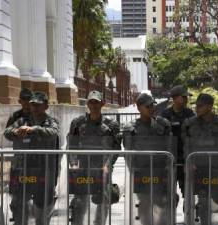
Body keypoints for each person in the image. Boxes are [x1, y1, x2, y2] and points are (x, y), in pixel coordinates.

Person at [4, 91, 60, 225]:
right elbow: (7, 132)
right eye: (32, 105)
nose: (34, 108)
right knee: (19, 203)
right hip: (23, 169)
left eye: (38, 105)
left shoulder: (51, 121)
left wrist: (33, 129)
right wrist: (16, 132)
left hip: (43, 170)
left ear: (45, 106)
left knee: (42, 207)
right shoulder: (22, 120)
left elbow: (53, 132)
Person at [67, 90, 121, 225]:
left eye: (96, 102)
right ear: (87, 104)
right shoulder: (77, 123)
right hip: (82, 167)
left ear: (102, 103)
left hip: (102, 168)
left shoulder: (111, 125)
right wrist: (73, 163)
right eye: (91, 102)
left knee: (103, 199)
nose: (93, 105)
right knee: (80, 200)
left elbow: (116, 148)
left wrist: (108, 164)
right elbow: (71, 145)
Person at [182, 93, 218, 225]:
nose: (196, 108)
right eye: (196, 106)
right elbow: (186, 147)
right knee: (203, 203)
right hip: (200, 170)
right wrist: (190, 162)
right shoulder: (189, 124)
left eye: (200, 106)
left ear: (210, 107)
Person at [123, 93, 173, 225]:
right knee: (145, 202)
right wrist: (134, 171)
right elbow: (128, 153)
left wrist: (169, 168)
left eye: (152, 105)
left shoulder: (163, 125)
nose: (151, 108)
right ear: (139, 108)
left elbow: (169, 148)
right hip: (141, 172)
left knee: (164, 200)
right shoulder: (130, 128)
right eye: (147, 106)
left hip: (161, 171)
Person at [161, 85, 195, 206]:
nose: (186, 99)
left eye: (187, 97)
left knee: (188, 191)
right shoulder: (165, 114)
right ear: (175, 98)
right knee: (168, 191)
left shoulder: (190, 113)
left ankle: (189, 213)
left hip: (186, 157)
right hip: (169, 158)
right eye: (184, 97)